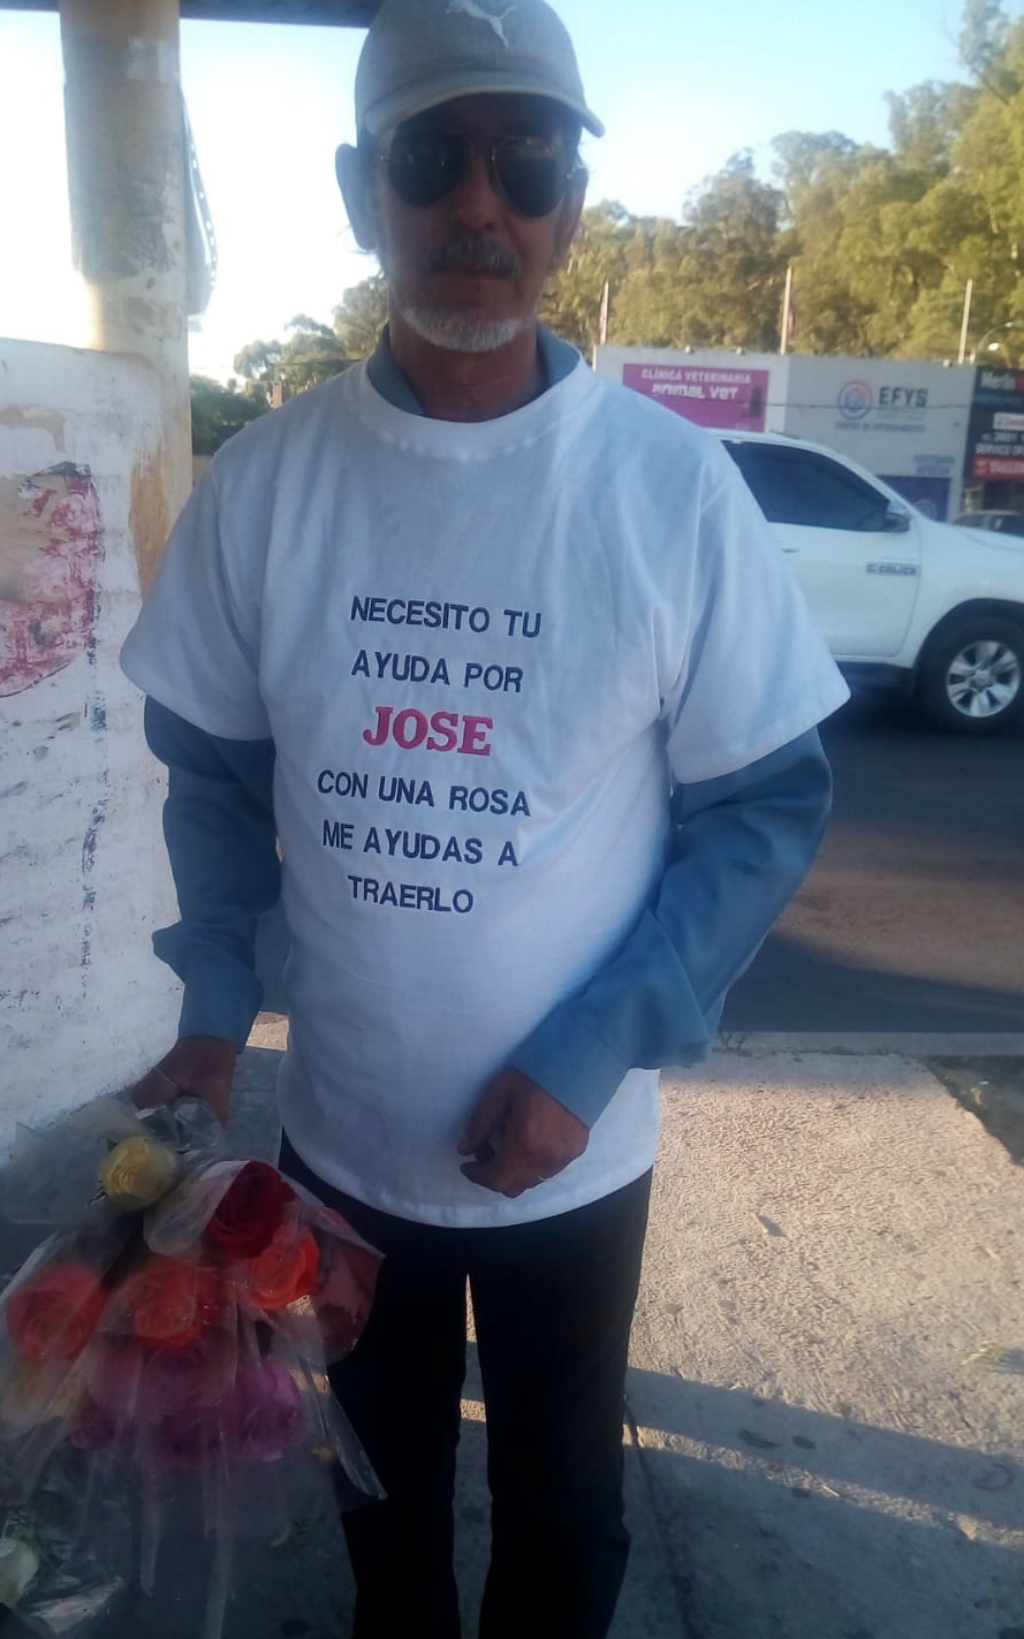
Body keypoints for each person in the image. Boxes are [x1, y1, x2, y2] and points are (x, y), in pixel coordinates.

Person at [121, 0, 849, 1633]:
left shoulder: (669, 494)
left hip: (574, 1159)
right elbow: (221, 777)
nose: (481, 204)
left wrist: (593, 1055)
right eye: (432, 157)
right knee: (375, 1506)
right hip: (343, 1146)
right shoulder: (270, 486)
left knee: (562, 1516)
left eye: (526, 161)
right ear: (358, 187)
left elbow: (763, 806)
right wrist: (215, 1010)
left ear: (570, 202)